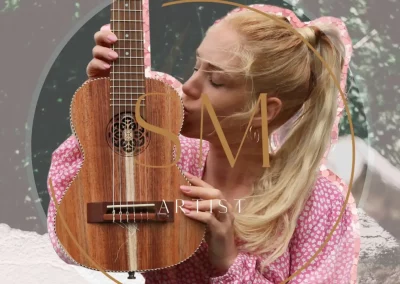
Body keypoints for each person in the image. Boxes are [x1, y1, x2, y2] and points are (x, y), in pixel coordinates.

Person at [47, 4, 360, 284]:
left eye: (216, 81)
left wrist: (227, 261)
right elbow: (71, 243)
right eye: (197, 67)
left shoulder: (321, 206)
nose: (188, 86)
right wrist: (104, 112)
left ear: (264, 110)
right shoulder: (166, 151)